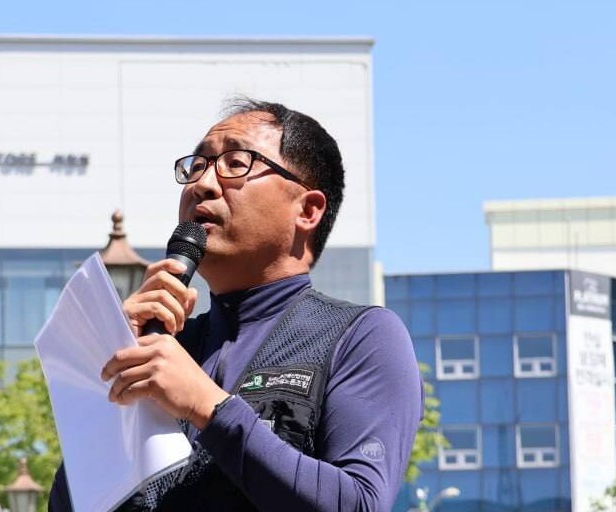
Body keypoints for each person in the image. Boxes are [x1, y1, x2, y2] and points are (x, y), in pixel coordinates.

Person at [49, 99, 422, 511]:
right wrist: (108, 384)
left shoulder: (360, 337)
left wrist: (208, 406)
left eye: (235, 163)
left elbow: (360, 504)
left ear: (308, 209)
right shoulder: (164, 349)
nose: (202, 184)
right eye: (197, 166)